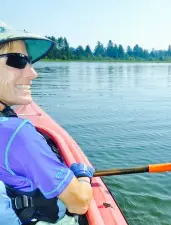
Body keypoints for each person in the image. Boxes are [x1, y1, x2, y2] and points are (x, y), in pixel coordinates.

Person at [0, 21, 95, 225]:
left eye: (29, 61)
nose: (33, 73)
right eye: (18, 61)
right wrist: (83, 176)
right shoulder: (16, 135)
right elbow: (80, 203)